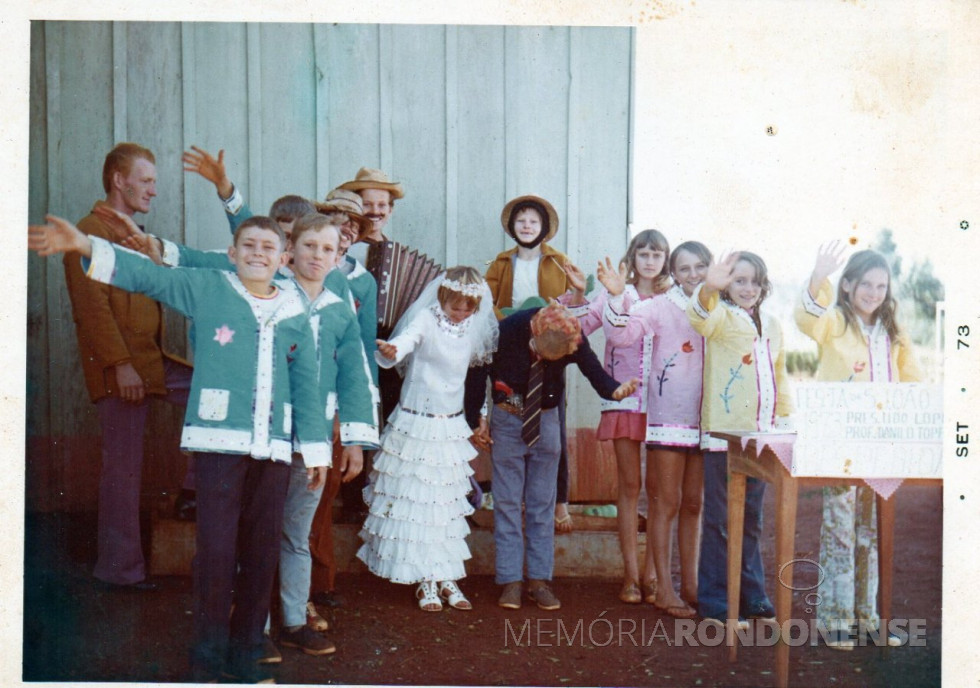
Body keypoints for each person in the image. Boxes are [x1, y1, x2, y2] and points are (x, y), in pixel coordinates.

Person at [30, 214, 331, 684]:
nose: (257, 253)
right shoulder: (208, 289)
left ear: (284, 259)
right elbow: (147, 275)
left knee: (260, 548)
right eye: (247, 245)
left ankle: (249, 646)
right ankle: (208, 651)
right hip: (218, 443)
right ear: (232, 254)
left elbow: (306, 383)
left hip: (273, 447)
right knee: (214, 549)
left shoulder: (296, 308)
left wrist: (315, 450)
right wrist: (85, 245)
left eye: (268, 248)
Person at [61, 142, 193, 590]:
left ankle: (194, 493)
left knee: (212, 394)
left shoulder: (132, 233)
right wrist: (119, 365)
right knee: (123, 467)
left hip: (152, 363)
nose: (154, 191)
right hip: (122, 370)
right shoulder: (87, 232)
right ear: (119, 180)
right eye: (147, 180)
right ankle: (119, 570)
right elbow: (91, 308)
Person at [464, 302, 637, 610]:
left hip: (546, 416)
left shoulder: (570, 333)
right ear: (535, 331)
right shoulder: (505, 332)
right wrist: (474, 417)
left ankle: (539, 581)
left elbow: (592, 368)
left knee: (543, 503)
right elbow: (477, 371)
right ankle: (510, 581)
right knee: (506, 500)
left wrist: (613, 390)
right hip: (509, 415)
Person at [795, 243, 921, 649]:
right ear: (847, 286)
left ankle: (868, 618)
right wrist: (818, 279)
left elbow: (912, 382)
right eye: (865, 283)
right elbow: (805, 319)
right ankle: (834, 619)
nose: (873, 292)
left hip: (880, 444)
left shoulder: (894, 332)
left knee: (872, 530)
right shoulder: (834, 321)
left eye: (881, 285)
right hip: (840, 443)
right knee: (840, 530)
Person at [356, 267, 498, 612]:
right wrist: (394, 350)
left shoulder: (473, 326)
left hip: (449, 425)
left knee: (443, 505)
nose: (462, 313)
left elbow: (475, 376)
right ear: (442, 298)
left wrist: (480, 415)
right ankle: (424, 580)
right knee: (416, 503)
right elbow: (409, 339)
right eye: (456, 307)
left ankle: (445, 574)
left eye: (468, 308)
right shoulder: (425, 318)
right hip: (417, 423)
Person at [561, 229, 673, 605]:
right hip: (625, 401)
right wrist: (578, 294)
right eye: (643, 253)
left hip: (664, 404)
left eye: (657, 254)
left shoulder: (672, 299)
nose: (650, 261)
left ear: (665, 260)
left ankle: (654, 574)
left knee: (659, 491)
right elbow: (579, 326)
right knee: (629, 487)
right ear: (633, 257)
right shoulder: (616, 291)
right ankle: (630, 576)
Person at [602, 240, 711, 618]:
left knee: (694, 504)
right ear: (674, 273)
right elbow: (620, 335)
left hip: (707, 420)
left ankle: (692, 586)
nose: (693, 275)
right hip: (669, 418)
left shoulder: (720, 309)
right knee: (666, 503)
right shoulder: (658, 306)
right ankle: (663, 589)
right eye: (685, 269)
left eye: (701, 267)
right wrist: (617, 297)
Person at [687, 251, 792, 628]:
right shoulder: (720, 316)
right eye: (739, 281)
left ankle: (752, 595)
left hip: (761, 435)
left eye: (754, 281)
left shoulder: (774, 325)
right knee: (720, 519)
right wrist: (708, 288)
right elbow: (699, 317)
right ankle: (715, 602)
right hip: (725, 437)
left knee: (752, 519)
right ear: (728, 284)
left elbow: (780, 374)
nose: (748, 289)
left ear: (764, 286)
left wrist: (784, 417)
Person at [484, 195, 576, 533]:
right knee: (509, 414)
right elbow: (486, 301)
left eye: (533, 221)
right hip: (511, 347)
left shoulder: (558, 261)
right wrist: (509, 326)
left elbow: (572, 301)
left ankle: (558, 500)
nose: (526, 226)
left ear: (544, 228)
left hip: (550, 348)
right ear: (512, 227)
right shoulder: (501, 263)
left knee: (555, 422)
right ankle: (507, 496)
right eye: (521, 220)